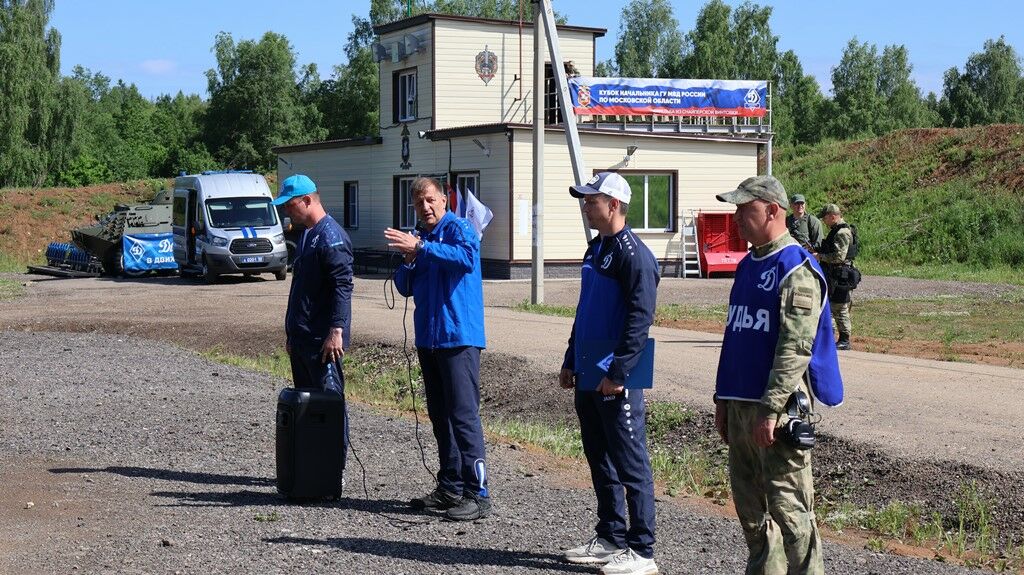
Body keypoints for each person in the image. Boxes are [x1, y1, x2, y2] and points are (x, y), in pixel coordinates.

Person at [714, 175, 843, 575]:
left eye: (745, 208)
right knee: (752, 515)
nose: (737, 217)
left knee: (792, 515)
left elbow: (795, 348)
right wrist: (722, 399)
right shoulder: (747, 265)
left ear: (772, 210)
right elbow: (735, 336)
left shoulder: (795, 268)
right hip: (740, 405)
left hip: (777, 412)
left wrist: (771, 409)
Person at [559, 172, 660, 575]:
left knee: (630, 462)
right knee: (599, 456)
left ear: (614, 205)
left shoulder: (634, 255)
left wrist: (619, 372)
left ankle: (643, 550)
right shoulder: (595, 248)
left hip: (618, 373)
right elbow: (585, 309)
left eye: (592, 200)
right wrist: (571, 358)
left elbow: (639, 319)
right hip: (588, 364)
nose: (585, 206)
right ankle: (610, 536)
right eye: (584, 200)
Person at [383, 177, 491, 521]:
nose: (425, 207)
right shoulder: (421, 239)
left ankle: (478, 494)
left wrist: (421, 248)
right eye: (419, 203)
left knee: (463, 416)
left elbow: (466, 258)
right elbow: (404, 286)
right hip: (429, 340)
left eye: (430, 200)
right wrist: (409, 258)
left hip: (459, 338)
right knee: (440, 417)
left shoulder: (460, 228)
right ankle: (450, 486)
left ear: (444, 200)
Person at [273, 174, 354, 467]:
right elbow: (300, 290)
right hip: (303, 339)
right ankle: (312, 465)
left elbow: (342, 286)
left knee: (329, 404)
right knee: (307, 407)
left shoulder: (331, 237)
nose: (286, 211)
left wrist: (337, 331)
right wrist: (292, 333)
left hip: (323, 342)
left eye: (290, 204)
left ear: (307, 200)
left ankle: (334, 467)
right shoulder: (307, 234)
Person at [816, 203, 856, 351]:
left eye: (825, 218)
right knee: (833, 305)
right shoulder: (837, 231)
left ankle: (844, 340)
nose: (824, 221)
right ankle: (831, 338)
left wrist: (820, 256)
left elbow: (839, 257)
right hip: (834, 274)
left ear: (832, 216)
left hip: (840, 275)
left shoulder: (842, 232)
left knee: (840, 307)